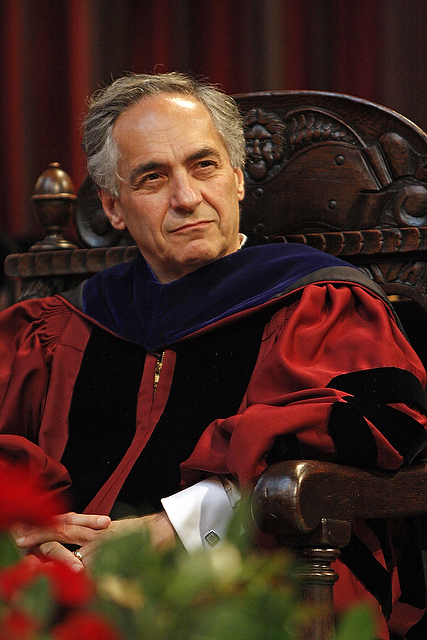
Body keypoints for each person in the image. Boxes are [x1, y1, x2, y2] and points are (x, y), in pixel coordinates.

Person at [1, 72, 427, 638]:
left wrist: (173, 527)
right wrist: (36, 532)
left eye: (204, 166)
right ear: (114, 207)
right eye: (153, 178)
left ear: (237, 178)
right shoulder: (63, 326)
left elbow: (385, 429)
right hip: (63, 588)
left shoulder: (315, 303)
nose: (186, 198)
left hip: (246, 579)